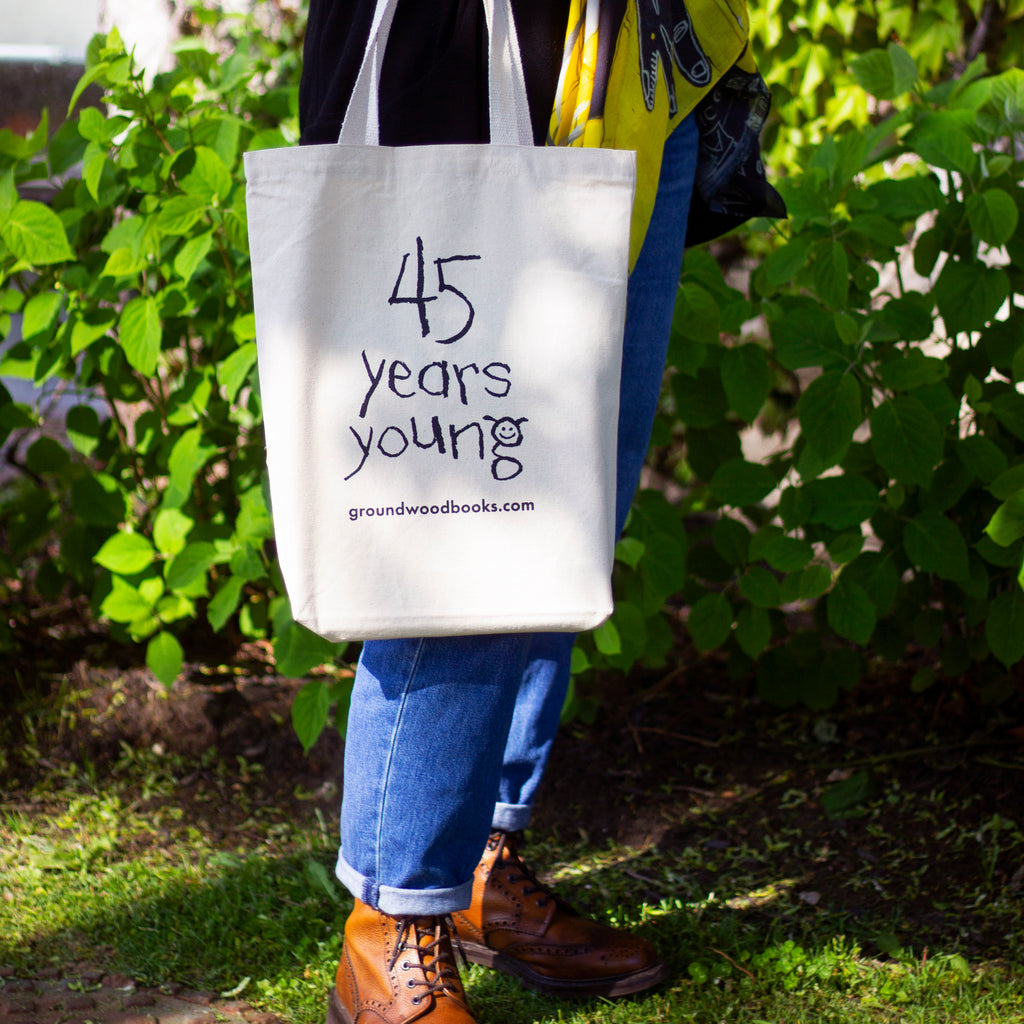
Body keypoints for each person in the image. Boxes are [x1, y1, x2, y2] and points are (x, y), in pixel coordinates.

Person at [297, 3, 783, 1022]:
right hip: (463, 57)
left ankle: (479, 860)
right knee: (465, 516)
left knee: (564, 493)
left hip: (641, 77)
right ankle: (391, 921)